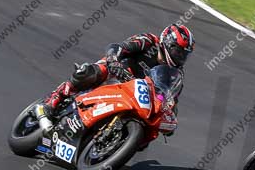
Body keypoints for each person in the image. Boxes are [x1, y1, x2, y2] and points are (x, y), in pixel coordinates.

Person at [34, 24, 194, 133]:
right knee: (93, 71)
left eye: (184, 55)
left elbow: (171, 100)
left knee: (148, 132)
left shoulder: (176, 73)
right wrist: (113, 59)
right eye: (178, 52)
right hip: (117, 74)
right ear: (167, 43)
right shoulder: (148, 41)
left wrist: (169, 116)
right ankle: (52, 101)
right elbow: (118, 47)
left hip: (137, 98)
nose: (180, 57)